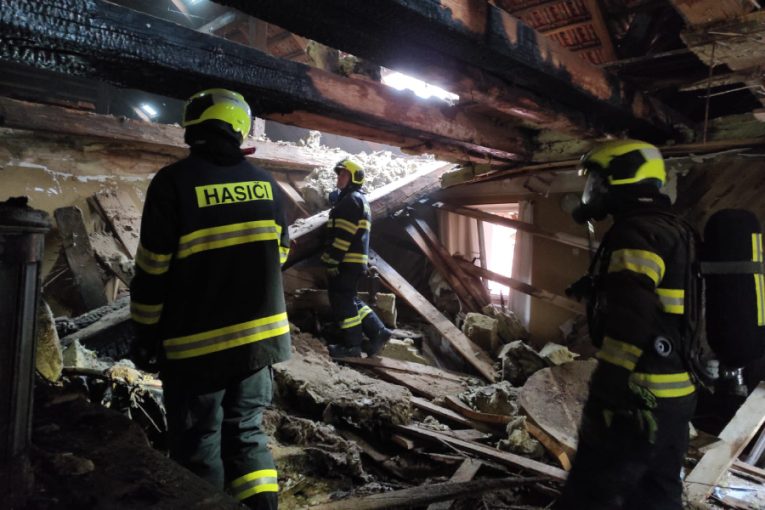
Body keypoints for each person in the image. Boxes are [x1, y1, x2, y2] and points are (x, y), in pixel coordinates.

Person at [129, 89, 291, 509]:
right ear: (239, 127)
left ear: (192, 127)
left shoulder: (173, 183)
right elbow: (280, 254)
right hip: (258, 344)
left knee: (199, 443)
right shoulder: (266, 184)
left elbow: (153, 269)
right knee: (247, 434)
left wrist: (145, 332)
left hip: (196, 349)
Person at [556, 140, 698, 510]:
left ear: (622, 177)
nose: (592, 190)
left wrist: (608, 387)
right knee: (657, 493)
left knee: (593, 493)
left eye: (597, 181)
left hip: (638, 395)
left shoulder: (635, 232)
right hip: (677, 393)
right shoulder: (674, 228)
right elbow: (660, 298)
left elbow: (632, 315)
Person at [321, 158, 391, 358]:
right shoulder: (356, 199)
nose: (339, 177)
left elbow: (344, 235)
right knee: (350, 298)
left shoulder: (350, 201)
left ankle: (352, 346)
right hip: (354, 261)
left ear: (354, 178)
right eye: (339, 174)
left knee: (342, 301)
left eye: (343, 174)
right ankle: (378, 331)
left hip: (346, 260)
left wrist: (333, 260)